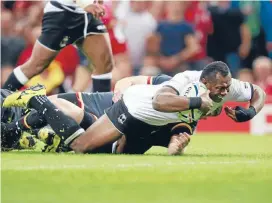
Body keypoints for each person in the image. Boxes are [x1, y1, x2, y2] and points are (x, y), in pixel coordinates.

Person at [3, 61, 266, 154]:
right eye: (218, 89)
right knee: (78, 142)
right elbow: (157, 100)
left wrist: (251, 112)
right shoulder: (182, 82)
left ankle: (24, 133)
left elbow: (258, 92)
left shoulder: (223, 89)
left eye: (226, 89)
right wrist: (199, 102)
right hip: (127, 106)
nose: (223, 94)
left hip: (132, 122)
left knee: (81, 145)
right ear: (204, 82)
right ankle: (32, 107)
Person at [3, 0, 113, 93]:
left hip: (87, 13)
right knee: (36, 65)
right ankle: (2, 102)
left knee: (104, 63)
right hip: (64, 11)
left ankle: (102, 110)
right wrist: (85, 3)